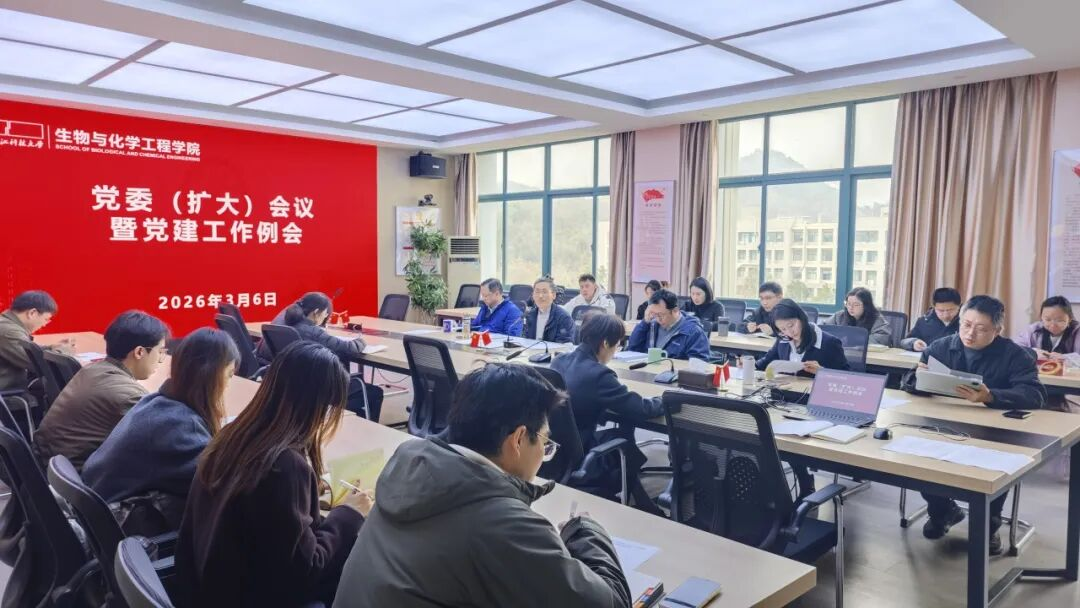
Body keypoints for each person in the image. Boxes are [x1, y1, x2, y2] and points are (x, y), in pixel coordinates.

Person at [333, 363, 631, 608]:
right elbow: (612, 603)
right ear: (518, 439)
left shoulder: (410, 464)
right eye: (545, 441)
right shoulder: (503, 524)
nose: (544, 453)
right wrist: (585, 531)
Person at [175, 342, 372, 608]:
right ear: (316, 407)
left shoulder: (233, 436)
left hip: (208, 590)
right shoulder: (283, 466)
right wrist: (349, 514)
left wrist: (306, 500)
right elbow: (305, 572)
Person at [902, 295, 1046, 555]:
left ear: (997, 330)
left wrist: (991, 397)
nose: (970, 334)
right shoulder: (940, 347)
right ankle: (942, 511)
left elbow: (1035, 395)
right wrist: (917, 378)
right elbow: (909, 382)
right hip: (943, 424)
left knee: (997, 463)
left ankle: (989, 526)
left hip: (994, 432)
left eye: (981, 329)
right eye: (966, 325)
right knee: (918, 457)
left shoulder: (1014, 355)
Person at [82, 328, 239, 535]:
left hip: (96, 508)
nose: (228, 385)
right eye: (229, 375)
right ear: (211, 376)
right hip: (113, 527)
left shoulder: (154, 402)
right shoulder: (182, 427)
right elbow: (216, 487)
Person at [551, 312, 663, 509]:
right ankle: (635, 505)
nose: (616, 350)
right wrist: (665, 400)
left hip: (553, 448)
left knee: (619, 433)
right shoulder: (600, 375)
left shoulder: (558, 361)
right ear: (605, 343)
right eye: (617, 344)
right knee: (624, 442)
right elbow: (641, 409)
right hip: (580, 449)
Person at [35, 311, 168, 470]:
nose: (161, 360)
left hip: (52, 462)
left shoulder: (92, 369)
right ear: (140, 352)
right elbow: (168, 437)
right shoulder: (128, 395)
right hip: (75, 474)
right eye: (160, 352)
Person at [283, 292, 383, 423]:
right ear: (316, 312)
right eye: (325, 314)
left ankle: (356, 420)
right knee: (375, 392)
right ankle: (367, 428)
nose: (325, 317)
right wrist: (361, 341)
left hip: (297, 387)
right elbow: (349, 348)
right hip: (322, 390)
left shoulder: (289, 325)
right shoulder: (313, 332)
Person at [1014, 295, 1080, 413]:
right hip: (1040, 379)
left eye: (1060, 320)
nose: (1053, 324)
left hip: (1069, 382)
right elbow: (1015, 350)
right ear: (1041, 317)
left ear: (1070, 318)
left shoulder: (1077, 331)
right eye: (1048, 319)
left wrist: (1065, 358)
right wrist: (1034, 352)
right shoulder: (1033, 330)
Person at [0, 290, 74, 393]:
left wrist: (51, 347)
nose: (45, 324)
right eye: (46, 319)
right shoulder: (9, 331)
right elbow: (41, 365)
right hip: (8, 392)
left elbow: (29, 351)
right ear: (32, 313)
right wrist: (63, 352)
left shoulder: (6, 323)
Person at [755, 299, 849, 377]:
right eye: (783, 329)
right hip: (785, 391)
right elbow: (765, 362)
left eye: (791, 325)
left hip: (812, 393)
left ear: (801, 317)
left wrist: (821, 371)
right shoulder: (783, 340)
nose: (789, 332)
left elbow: (847, 377)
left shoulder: (830, 343)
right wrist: (751, 364)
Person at [626, 289, 710, 361]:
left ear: (675, 311)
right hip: (649, 371)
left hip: (675, 374)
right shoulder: (651, 324)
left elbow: (698, 364)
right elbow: (632, 349)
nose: (658, 319)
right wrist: (644, 322)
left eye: (660, 315)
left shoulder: (693, 332)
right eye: (654, 314)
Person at [821, 287, 892, 346]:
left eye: (856, 305)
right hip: (842, 353)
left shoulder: (876, 319)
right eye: (848, 304)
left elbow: (882, 339)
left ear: (866, 306)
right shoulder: (839, 316)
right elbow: (823, 329)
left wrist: (852, 340)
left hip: (868, 356)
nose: (851, 308)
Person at [901, 287, 962, 352]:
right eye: (941, 310)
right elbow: (904, 341)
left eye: (950, 310)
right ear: (934, 307)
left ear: (959, 306)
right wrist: (913, 343)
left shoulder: (966, 322)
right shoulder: (924, 321)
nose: (946, 315)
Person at [522, 277, 574, 343]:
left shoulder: (564, 317)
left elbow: (564, 344)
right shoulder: (529, 315)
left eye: (544, 292)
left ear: (554, 295)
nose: (540, 296)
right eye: (537, 292)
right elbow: (525, 340)